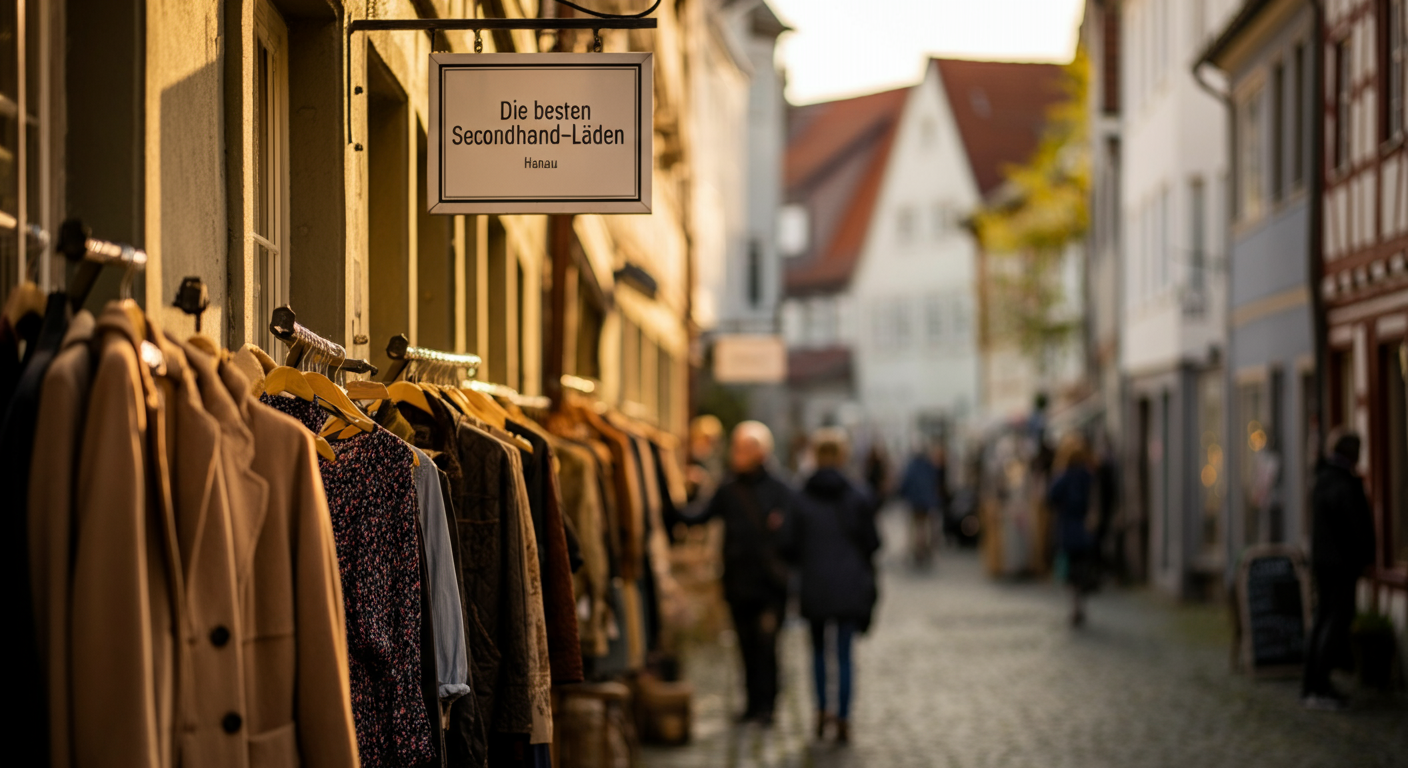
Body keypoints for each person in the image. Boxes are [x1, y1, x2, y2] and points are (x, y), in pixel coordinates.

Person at [684, 421, 793, 725]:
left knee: (767, 646)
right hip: (737, 582)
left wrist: (780, 533)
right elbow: (697, 516)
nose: (737, 454)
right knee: (745, 646)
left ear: (760, 453)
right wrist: (678, 496)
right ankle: (751, 703)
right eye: (736, 447)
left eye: (744, 448)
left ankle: (767, 705)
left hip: (770, 585)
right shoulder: (728, 488)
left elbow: (793, 535)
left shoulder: (781, 488)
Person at [780, 428, 880, 745]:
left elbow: (788, 545)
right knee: (845, 654)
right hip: (850, 585)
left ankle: (822, 711)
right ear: (842, 456)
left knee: (819, 653)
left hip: (814, 585)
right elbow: (873, 543)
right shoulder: (858, 495)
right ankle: (845, 717)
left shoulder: (799, 497)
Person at [1302, 430, 1376, 711]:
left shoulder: (1324, 478)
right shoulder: (1342, 482)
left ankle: (1312, 685)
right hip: (1340, 566)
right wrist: (1364, 556)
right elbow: (1353, 526)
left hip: (1325, 563)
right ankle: (1319, 686)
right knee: (1333, 622)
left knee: (1323, 620)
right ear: (1351, 453)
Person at [1047, 434, 1097, 626]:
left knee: (1070, 570)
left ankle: (1076, 605)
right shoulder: (1088, 476)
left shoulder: (1064, 477)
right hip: (1084, 528)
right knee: (1081, 567)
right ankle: (1080, 604)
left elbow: (1050, 497)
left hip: (1068, 527)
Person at [898, 444, 941, 566]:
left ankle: (918, 549)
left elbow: (905, 483)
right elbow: (935, 482)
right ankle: (924, 548)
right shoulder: (929, 466)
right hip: (927, 501)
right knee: (925, 527)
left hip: (915, 501)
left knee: (917, 527)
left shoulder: (911, 466)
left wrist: (904, 495)